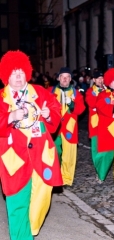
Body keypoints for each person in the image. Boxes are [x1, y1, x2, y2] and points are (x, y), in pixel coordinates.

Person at [0, 50, 63, 239]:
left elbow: (55, 109)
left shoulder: (40, 92)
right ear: (6, 75)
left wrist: (48, 114)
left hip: (42, 156)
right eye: (13, 73)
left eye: (21, 72)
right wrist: (10, 116)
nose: (18, 77)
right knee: (17, 206)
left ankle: (29, 231)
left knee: (41, 202)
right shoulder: (2, 97)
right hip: (15, 160)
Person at [50, 67, 86, 186]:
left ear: (70, 79)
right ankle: (55, 175)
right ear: (58, 78)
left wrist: (72, 104)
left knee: (69, 155)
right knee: (54, 152)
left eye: (67, 77)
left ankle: (66, 180)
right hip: (54, 127)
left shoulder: (76, 93)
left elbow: (81, 109)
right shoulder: (50, 91)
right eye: (62, 77)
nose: (65, 79)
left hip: (70, 128)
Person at [85, 70, 112, 184]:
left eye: (102, 78)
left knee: (107, 151)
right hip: (95, 125)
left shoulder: (109, 91)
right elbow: (93, 103)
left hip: (107, 125)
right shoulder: (90, 91)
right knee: (96, 151)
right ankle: (99, 171)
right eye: (98, 78)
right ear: (94, 80)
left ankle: (102, 173)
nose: (101, 80)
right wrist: (102, 95)